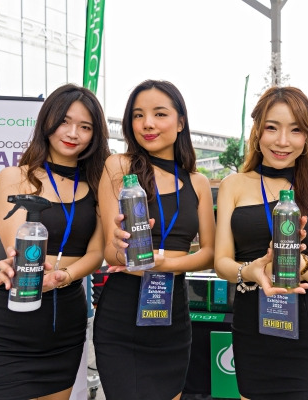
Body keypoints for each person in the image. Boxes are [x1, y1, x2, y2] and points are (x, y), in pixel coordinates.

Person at [0, 83, 110, 400]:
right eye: (64, 121)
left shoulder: (98, 184)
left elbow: (96, 253)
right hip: (11, 315)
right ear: (47, 121)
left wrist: (64, 276)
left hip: (64, 321)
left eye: (85, 126)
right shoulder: (15, 177)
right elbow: (17, 248)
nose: (72, 133)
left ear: (95, 134)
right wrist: (20, 265)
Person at [214, 86, 308, 400]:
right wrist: (252, 270)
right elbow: (221, 263)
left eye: (295, 130)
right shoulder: (233, 185)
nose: (283, 141)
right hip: (252, 333)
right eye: (272, 127)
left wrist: (301, 263)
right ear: (257, 131)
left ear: (307, 137)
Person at [93, 79, 215, 400]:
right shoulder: (119, 167)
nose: (147, 123)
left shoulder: (198, 182)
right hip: (123, 315)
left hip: (173, 314)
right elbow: (110, 252)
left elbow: (210, 254)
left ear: (181, 122)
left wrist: (164, 264)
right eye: (138, 115)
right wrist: (121, 248)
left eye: (160, 114)